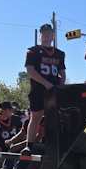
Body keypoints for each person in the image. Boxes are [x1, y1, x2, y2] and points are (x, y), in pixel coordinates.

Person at [24, 23, 66, 154]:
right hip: (38, 89)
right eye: (44, 33)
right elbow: (30, 70)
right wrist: (45, 83)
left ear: (53, 35)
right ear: (40, 35)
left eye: (49, 33)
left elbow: (62, 72)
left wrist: (61, 83)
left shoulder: (59, 53)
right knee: (36, 116)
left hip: (53, 89)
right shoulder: (33, 51)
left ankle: (52, 143)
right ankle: (29, 145)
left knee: (54, 117)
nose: (46, 35)